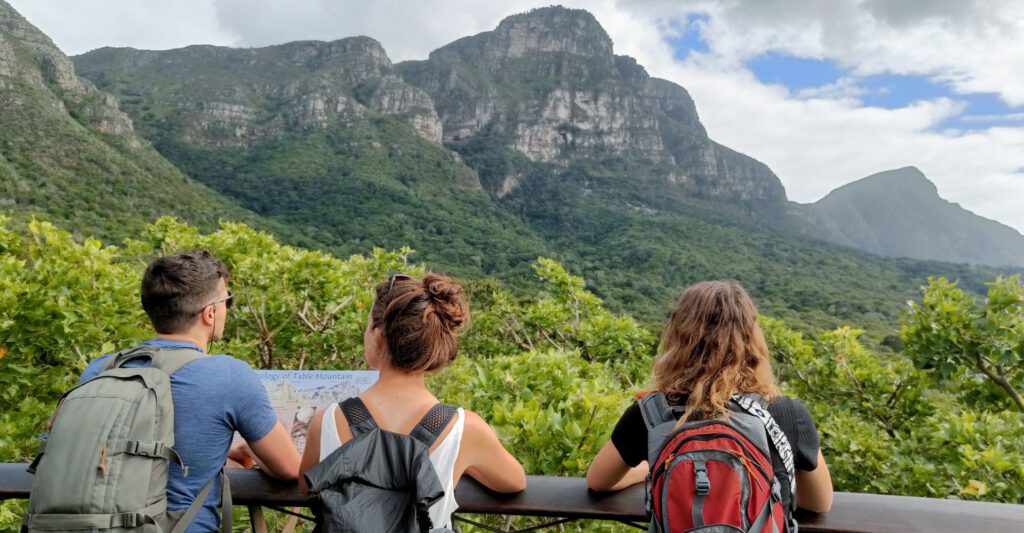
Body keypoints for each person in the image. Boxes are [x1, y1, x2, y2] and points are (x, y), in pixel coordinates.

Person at [79, 250, 300, 532]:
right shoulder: (229, 376)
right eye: (227, 300)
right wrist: (246, 450)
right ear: (210, 313)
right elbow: (291, 468)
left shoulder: (100, 368)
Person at [586, 280, 833, 519]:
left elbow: (598, 481)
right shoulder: (787, 413)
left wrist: (652, 470)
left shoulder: (651, 412)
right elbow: (819, 503)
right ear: (751, 339)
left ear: (677, 336)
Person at [299, 272, 526, 529]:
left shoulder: (328, 421)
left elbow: (305, 485)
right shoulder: (465, 430)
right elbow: (514, 482)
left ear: (378, 336)